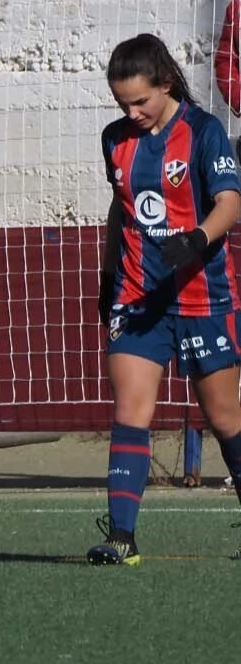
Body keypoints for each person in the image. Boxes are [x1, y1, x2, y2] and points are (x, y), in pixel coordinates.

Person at [91, 33, 241, 565]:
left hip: (203, 298)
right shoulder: (115, 140)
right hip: (137, 299)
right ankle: (122, 538)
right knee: (131, 412)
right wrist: (109, 277)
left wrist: (197, 239)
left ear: (167, 84)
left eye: (140, 101)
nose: (131, 112)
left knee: (224, 419)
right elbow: (120, 208)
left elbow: (229, 202)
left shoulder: (204, 132)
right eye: (121, 103)